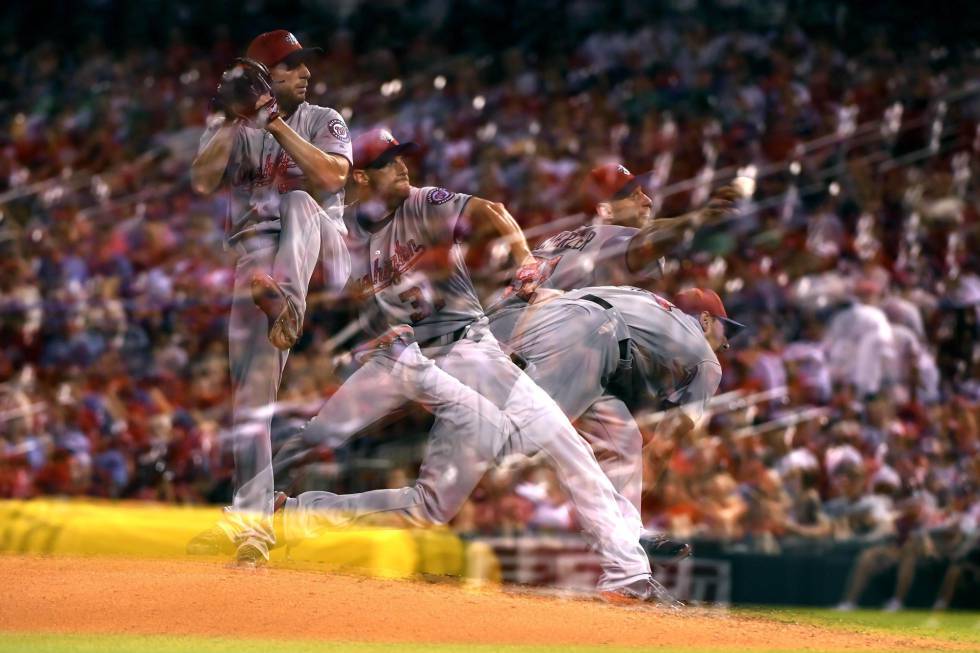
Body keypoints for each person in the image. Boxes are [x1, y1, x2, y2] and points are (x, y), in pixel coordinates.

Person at [275, 129, 672, 602]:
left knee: (445, 501)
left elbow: (494, 211)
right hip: (410, 360)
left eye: (403, 158)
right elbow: (352, 287)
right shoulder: (351, 235)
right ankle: (265, 513)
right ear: (362, 175)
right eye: (390, 162)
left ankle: (626, 573)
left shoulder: (424, 202)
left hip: (469, 351)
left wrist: (524, 258)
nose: (403, 167)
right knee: (330, 444)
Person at [486, 163, 739, 559]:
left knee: (621, 435)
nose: (646, 199)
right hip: (533, 338)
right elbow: (651, 240)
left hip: (532, 337)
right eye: (631, 194)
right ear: (604, 208)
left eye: (642, 191)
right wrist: (699, 218)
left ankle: (627, 538)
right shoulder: (610, 237)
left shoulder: (565, 240)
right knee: (524, 439)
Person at [186, 30, 352, 565]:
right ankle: (251, 526)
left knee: (301, 201)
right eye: (291, 66)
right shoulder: (236, 126)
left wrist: (273, 118)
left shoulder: (322, 117)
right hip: (256, 264)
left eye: (304, 64)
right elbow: (202, 180)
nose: (305, 72)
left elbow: (329, 178)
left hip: (321, 251)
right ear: (264, 76)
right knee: (249, 401)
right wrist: (234, 119)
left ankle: (290, 302)